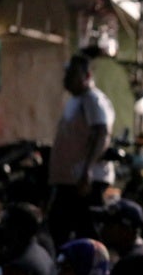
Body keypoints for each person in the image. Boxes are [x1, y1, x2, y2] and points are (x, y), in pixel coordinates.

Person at [47, 53, 116, 249]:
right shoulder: (75, 101)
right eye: (66, 73)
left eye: (72, 74)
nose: (66, 78)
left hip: (84, 181)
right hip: (70, 179)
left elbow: (101, 133)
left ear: (86, 76)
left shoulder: (93, 100)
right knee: (62, 229)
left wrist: (87, 169)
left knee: (87, 234)